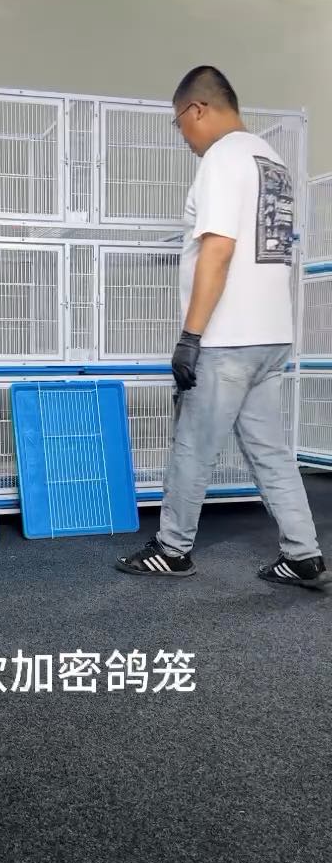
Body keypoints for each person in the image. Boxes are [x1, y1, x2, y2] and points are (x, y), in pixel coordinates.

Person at [116, 65, 330, 590]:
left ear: (198, 109)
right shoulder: (271, 160)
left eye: (180, 123)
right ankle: (303, 554)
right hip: (271, 333)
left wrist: (190, 337)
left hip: (227, 337)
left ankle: (172, 549)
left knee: (193, 444)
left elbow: (218, 249)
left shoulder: (222, 157)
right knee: (271, 451)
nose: (184, 136)